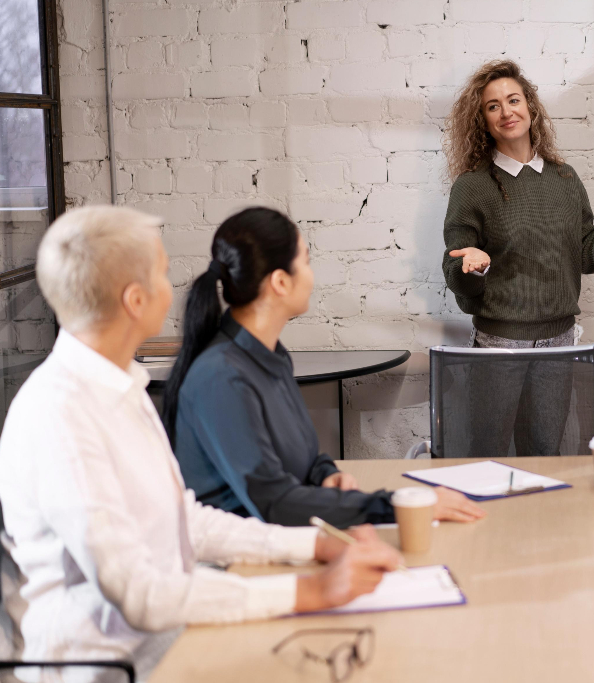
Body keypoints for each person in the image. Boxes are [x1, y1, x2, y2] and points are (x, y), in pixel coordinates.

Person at [0, 206, 402, 679]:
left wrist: (316, 545)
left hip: (163, 633)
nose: (174, 289)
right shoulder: (60, 416)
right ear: (135, 299)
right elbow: (142, 595)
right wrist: (310, 591)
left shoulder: (119, 386)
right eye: (163, 273)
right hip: (116, 663)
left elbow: (183, 521)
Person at [163, 207, 485, 527]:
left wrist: (325, 475)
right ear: (280, 282)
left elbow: (300, 457)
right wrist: (401, 507)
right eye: (306, 262)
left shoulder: (270, 355)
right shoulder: (221, 377)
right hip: (240, 560)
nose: (311, 275)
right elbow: (274, 504)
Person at [441, 59, 594, 456]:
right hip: (499, 346)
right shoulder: (473, 186)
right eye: (492, 106)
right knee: (486, 453)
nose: (506, 111)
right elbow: (455, 271)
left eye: (513, 100)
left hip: (559, 343)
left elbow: (589, 255)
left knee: (546, 455)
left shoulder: (565, 179)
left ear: (530, 106)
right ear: (483, 119)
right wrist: (471, 264)